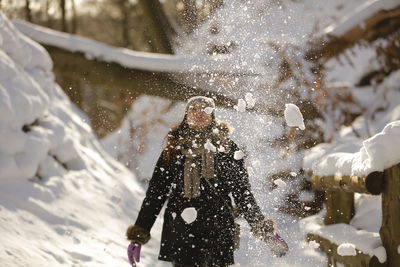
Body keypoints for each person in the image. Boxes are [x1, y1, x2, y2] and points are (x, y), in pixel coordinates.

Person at [126, 96, 288, 267]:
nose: (198, 113)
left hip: (218, 228)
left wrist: (263, 229)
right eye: (193, 109)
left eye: (204, 109)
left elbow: (242, 193)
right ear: (186, 115)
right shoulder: (174, 149)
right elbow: (156, 194)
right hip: (182, 229)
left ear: (212, 115)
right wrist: (139, 233)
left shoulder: (227, 148)